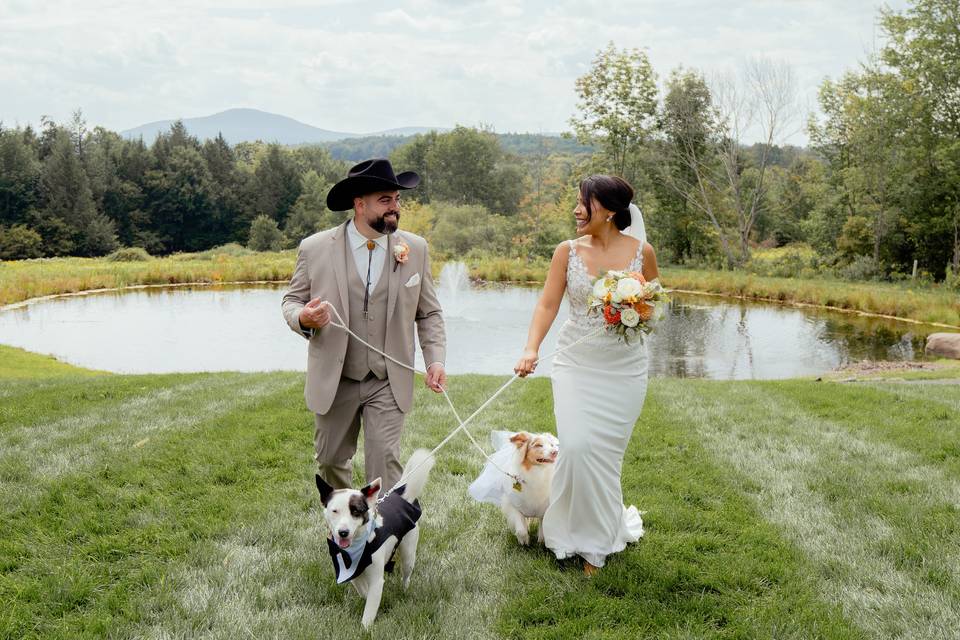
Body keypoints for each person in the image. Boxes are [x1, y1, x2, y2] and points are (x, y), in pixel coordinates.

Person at [514, 174, 658, 576]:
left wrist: (633, 310)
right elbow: (547, 304)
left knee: (605, 458)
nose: (577, 210)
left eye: (584, 203)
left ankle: (596, 543)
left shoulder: (641, 253)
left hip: (625, 370)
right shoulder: (567, 251)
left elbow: (656, 304)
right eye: (577, 202)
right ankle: (567, 530)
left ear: (609, 211)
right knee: (576, 448)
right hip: (576, 365)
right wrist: (531, 348)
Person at [282, 158, 447, 492]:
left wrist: (436, 359)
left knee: (384, 461)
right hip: (336, 377)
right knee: (329, 460)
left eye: (397, 200)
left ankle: (380, 537)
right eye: (385, 200)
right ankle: (346, 527)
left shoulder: (414, 248)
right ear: (359, 204)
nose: (395, 208)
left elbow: (428, 313)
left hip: (387, 378)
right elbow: (291, 301)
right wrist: (303, 318)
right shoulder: (314, 249)